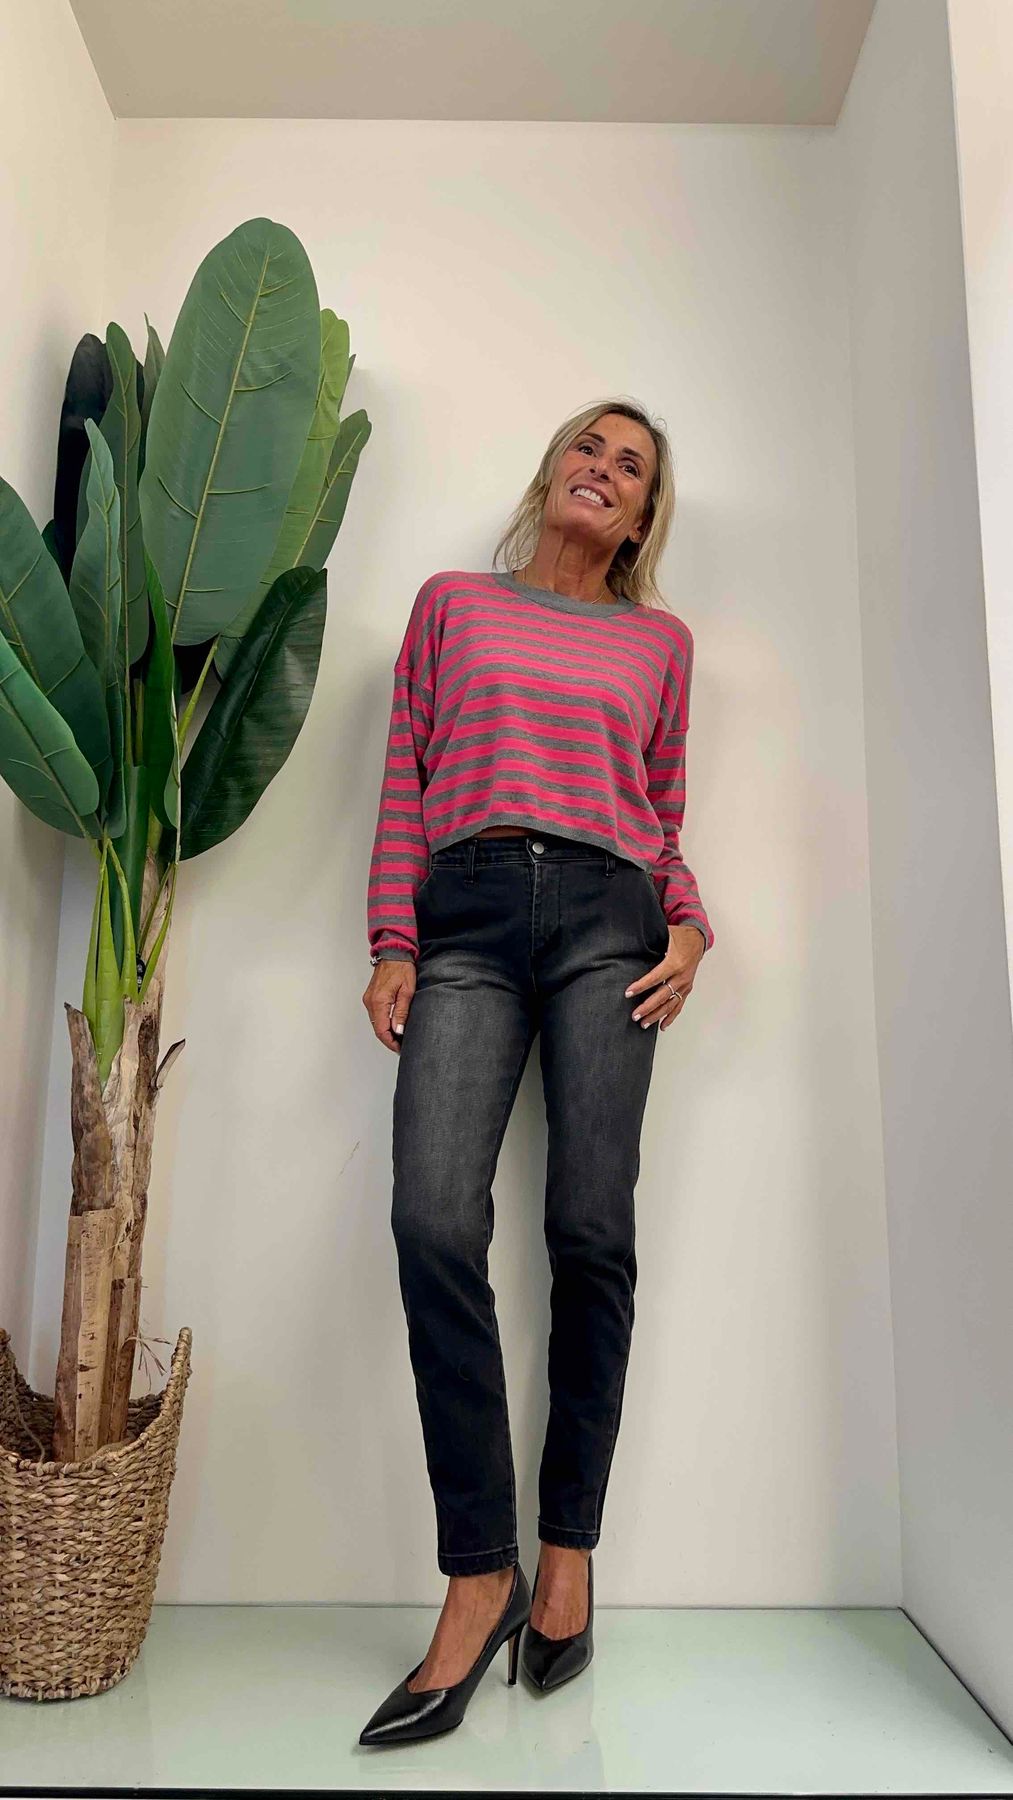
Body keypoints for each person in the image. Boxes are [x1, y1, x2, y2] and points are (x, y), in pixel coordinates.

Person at [358, 398, 714, 1746]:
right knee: (433, 1219)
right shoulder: (453, 605)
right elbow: (406, 780)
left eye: (630, 468)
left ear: (642, 515)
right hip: (464, 918)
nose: (602, 471)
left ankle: (567, 1554)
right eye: (588, 449)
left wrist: (690, 927)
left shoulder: (661, 644)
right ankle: (479, 1573)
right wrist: (392, 940)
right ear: (552, 471)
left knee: (590, 1232)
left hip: (612, 925)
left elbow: (659, 816)